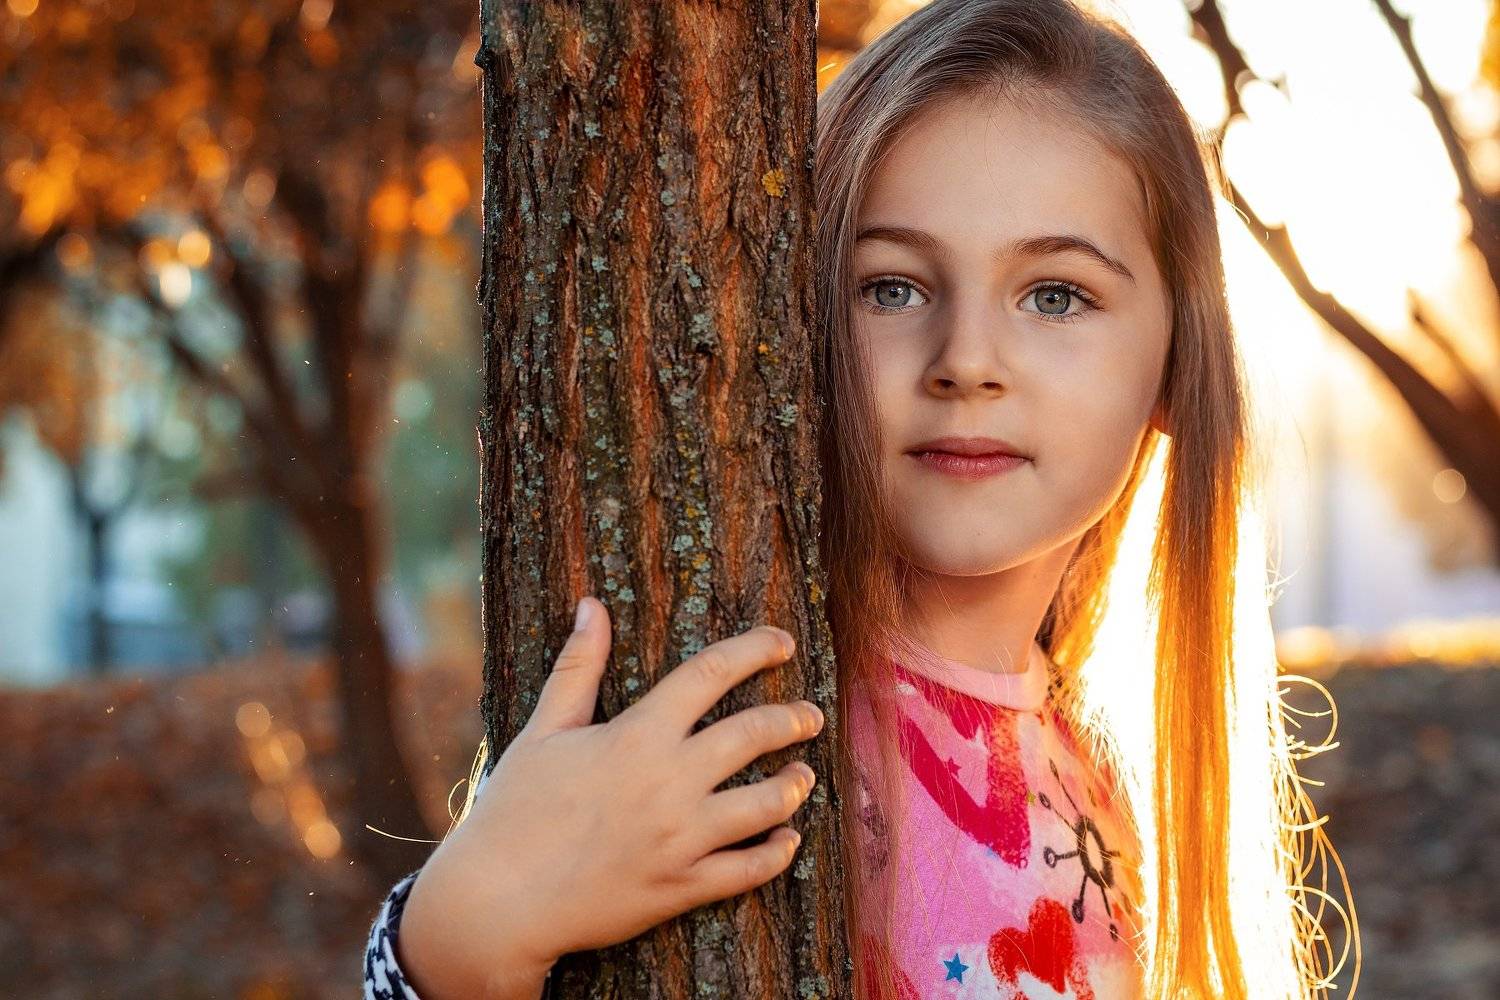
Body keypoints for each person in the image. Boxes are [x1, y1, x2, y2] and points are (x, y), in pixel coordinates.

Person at [364, 0, 1359, 997]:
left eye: (1055, 295)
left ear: (1180, 364)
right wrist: (467, 926)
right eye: (892, 287)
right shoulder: (754, 740)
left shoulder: (1108, 792)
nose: (966, 360)